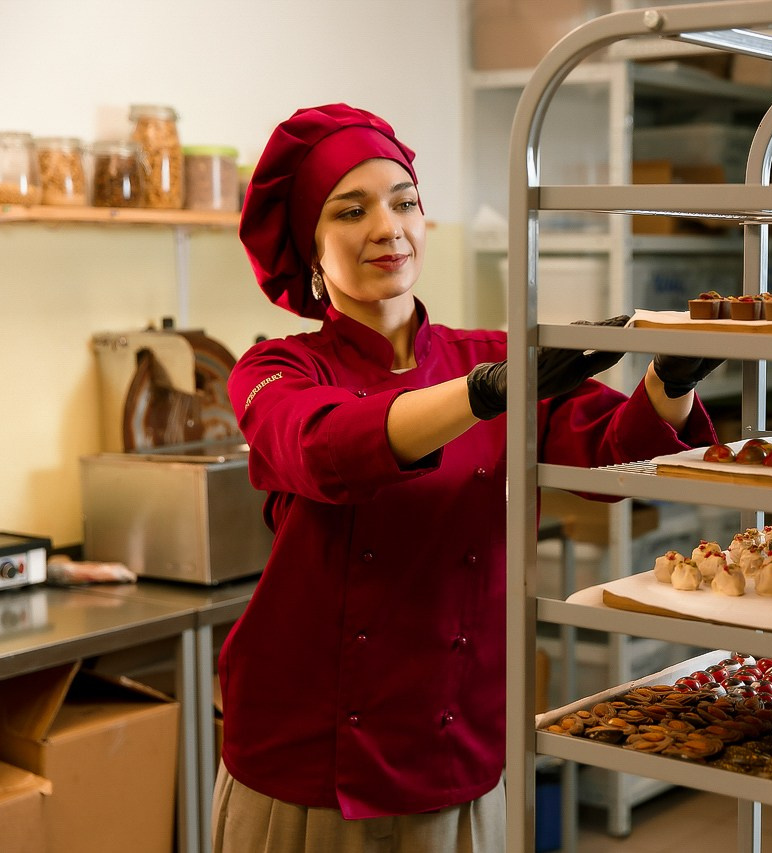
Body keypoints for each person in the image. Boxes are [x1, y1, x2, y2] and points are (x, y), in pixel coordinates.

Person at [212, 103, 723, 852]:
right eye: (351, 211)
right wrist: (483, 395)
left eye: (404, 202)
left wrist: (668, 383)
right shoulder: (279, 368)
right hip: (305, 756)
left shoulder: (491, 354)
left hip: (452, 741)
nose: (388, 228)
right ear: (311, 250)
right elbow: (323, 447)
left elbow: (610, 456)